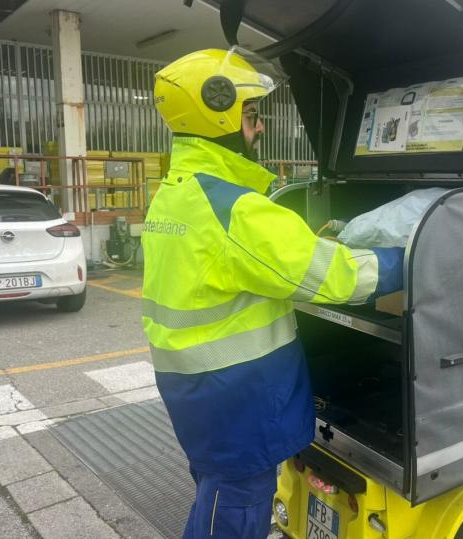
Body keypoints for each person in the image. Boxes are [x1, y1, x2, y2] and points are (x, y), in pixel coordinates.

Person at [142, 48, 404, 539]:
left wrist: (301, 249)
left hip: (195, 389)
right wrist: (405, 260)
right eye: (252, 115)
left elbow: (237, 265)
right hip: (236, 396)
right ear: (218, 114)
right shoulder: (235, 210)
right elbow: (339, 278)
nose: (259, 128)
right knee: (237, 508)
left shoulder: (176, 192)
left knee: (215, 487)